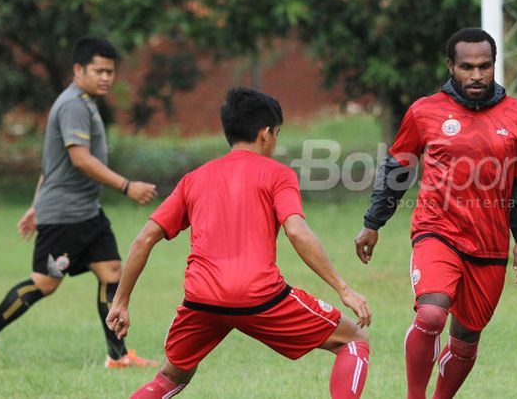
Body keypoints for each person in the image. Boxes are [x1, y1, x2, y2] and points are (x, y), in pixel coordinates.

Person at [106, 87, 372, 398]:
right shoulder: (278, 174)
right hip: (259, 297)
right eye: (277, 134)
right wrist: (344, 289)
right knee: (353, 340)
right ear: (266, 133)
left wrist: (121, 301)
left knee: (171, 377)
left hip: (201, 299)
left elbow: (143, 239)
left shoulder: (195, 178)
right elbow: (297, 231)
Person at [354, 28, 517, 398]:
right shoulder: (425, 111)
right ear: (450, 66)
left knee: (466, 338)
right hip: (436, 231)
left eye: (484, 66)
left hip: (489, 245)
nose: (476, 75)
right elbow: (397, 169)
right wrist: (373, 223)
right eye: (467, 66)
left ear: (493, 65)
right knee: (431, 314)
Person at [0, 36, 160, 370]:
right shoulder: (72, 104)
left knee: (112, 271)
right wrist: (127, 186)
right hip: (66, 215)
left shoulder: (85, 102)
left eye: (110, 71)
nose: (106, 77)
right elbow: (79, 160)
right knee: (44, 283)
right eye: (99, 70)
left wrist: (35, 205)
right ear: (78, 69)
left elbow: (52, 163)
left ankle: (118, 355)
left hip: (87, 212)